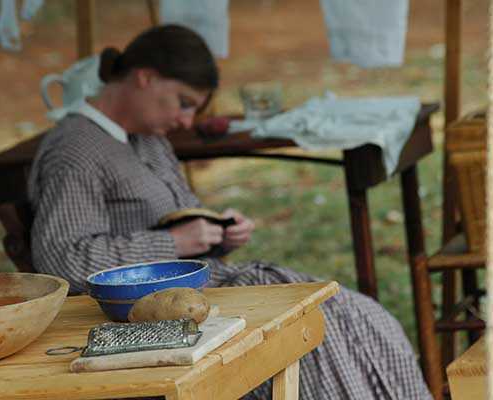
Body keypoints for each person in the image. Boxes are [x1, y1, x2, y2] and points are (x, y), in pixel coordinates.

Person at [28, 24, 432, 399]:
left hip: (208, 294)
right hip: (150, 320)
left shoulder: (148, 139)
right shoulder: (75, 150)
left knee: (362, 317)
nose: (186, 120)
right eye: (183, 103)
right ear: (145, 77)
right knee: (313, 344)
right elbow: (63, 259)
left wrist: (217, 232)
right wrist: (174, 242)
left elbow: (180, 225)